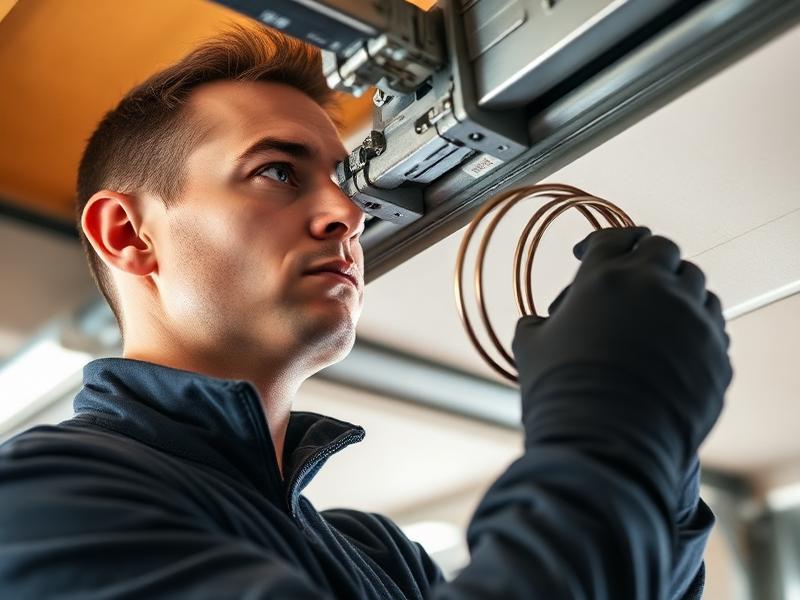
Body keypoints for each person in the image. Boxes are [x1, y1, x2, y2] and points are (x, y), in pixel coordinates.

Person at [0, 25, 731, 599]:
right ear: (128, 235)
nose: (349, 214)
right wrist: (614, 415)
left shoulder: (381, 559)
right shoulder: (40, 499)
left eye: (342, 182)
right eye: (277, 171)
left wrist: (660, 445)